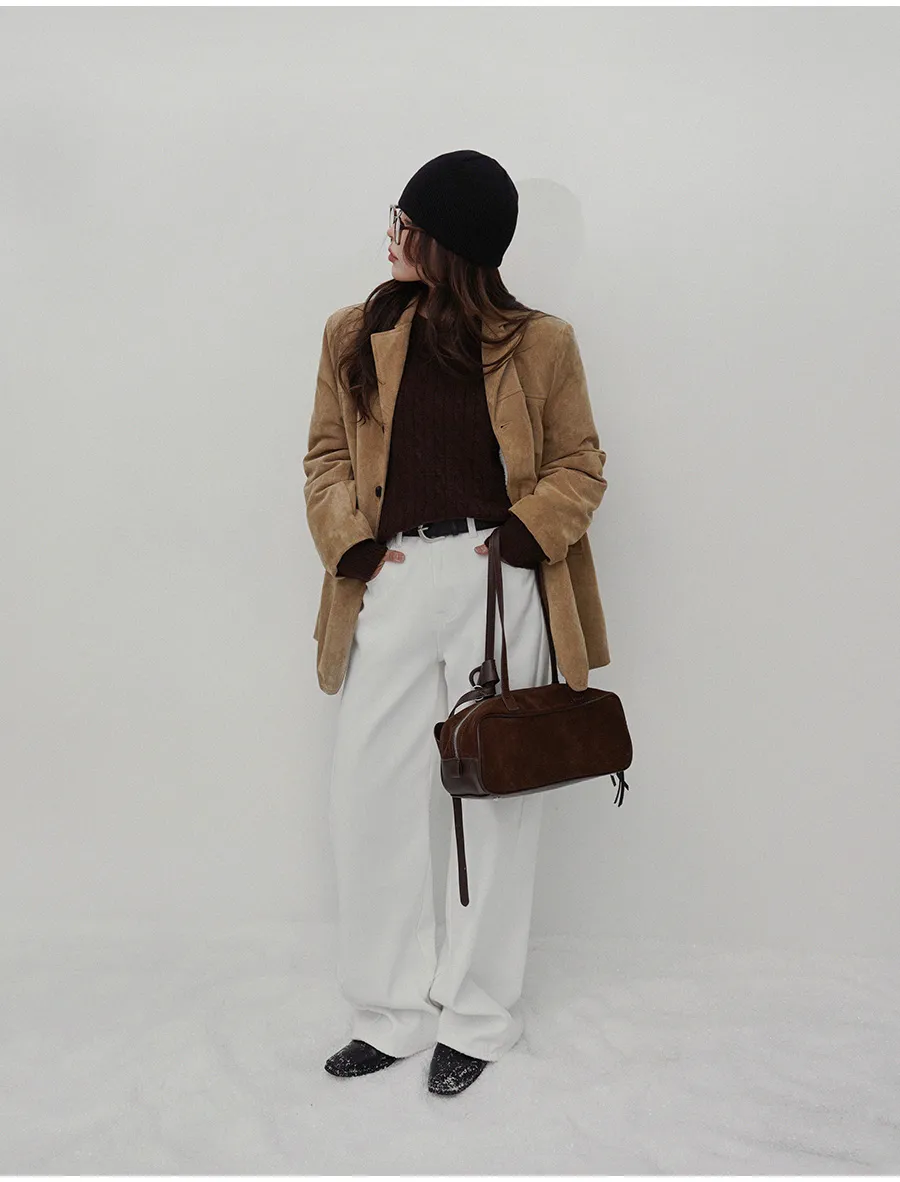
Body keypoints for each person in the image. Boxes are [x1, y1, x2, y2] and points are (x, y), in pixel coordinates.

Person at [303, 150, 610, 1096]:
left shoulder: (541, 343)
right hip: (390, 583)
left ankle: (477, 1017)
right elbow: (325, 458)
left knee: (497, 796)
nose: (391, 236)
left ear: (451, 244)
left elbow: (580, 464)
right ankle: (389, 1014)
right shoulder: (353, 333)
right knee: (370, 795)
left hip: (499, 584)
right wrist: (354, 547)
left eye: (408, 224)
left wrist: (520, 537)